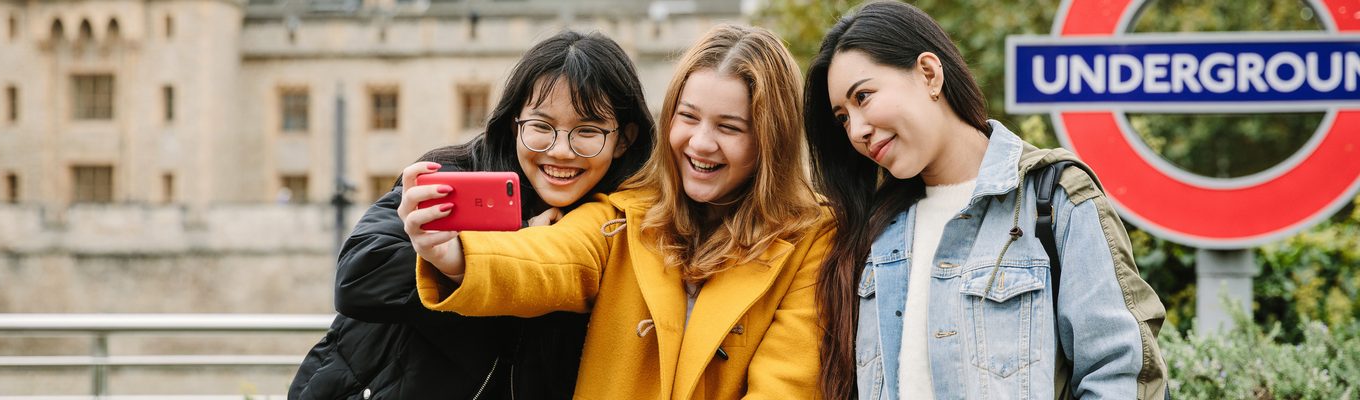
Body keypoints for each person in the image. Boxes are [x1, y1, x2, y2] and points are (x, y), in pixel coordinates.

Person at [401, 24, 832, 399]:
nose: (700, 143)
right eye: (688, 117)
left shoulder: (812, 239)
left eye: (729, 127)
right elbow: (552, 259)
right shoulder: (625, 211)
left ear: (770, 140)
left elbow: (788, 381)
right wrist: (454, 257)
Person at [803, 2, 1168, 399]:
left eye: (864, 97)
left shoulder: (1054, 200)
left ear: (929, 73)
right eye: (842, 117)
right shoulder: (871, 230)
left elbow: (1118, 374)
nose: (857, 130)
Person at [289, 29, 655, 400]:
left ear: (623, 138)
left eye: (587, 131)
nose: (560, 150)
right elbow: (358, 278)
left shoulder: (618, 224)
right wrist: (501, 245)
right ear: (514, 122)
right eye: (541, 127)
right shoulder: (455, 174)